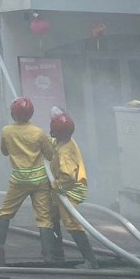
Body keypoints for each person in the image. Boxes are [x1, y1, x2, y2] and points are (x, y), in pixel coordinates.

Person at [0, 97, 56, 266]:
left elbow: (4, 152)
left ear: (13, 114)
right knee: (44, 218)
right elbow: (50, 155)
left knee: (5, 213)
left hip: (19, 180)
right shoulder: (39, 133)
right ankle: (48, 253)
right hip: (40, 180)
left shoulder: (7, 131)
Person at [49, 111, 99, 269]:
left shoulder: (65, 152)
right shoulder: (64, 141)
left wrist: (55, 185)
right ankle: (57, 253)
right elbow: (51, 143)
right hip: (64, 190)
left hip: (71, 190)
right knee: (51, 216)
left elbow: (68, 176)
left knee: (72, 224)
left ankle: (91, 262)